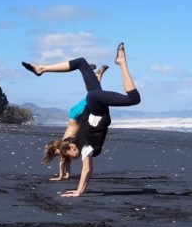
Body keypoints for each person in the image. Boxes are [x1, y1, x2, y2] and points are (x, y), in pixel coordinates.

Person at [22, 43, 140, 196]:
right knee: (81, 62)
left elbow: (87, 169)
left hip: (96, 102)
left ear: (72, 147)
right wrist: (80, 189)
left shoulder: (83, 147)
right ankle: (42, 68)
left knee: (134, 99)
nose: (74, 157)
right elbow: (80, 161)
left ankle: (122, 62)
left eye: (71, 155)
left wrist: (78, 192)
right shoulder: (77, 140)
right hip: (93, 99)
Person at [40, 64, 109, 181]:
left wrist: (60, 177)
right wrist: (66, 175)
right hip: (74, 115)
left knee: (94, 95)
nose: (58, 155)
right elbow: (65, 162)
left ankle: (91, 74)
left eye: (56, 153)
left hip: (76, 115)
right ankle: (91, 74)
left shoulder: (63, 146)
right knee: (94, 95)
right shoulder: (65, 146)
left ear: (56, 148)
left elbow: (62, 163)